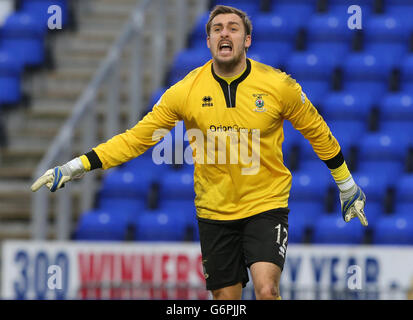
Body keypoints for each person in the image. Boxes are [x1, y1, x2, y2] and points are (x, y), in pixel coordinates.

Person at [31, 5, 368, 300]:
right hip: (214, 210)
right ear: (208, 42)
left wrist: (346, 184)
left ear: (246, 40)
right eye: (217, 29)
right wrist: (77, 165)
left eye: (233, 28)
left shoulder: (277, 86)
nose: (225, 33)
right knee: (225, 299)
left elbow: (316, 130)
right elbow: (137, 139)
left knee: (267, 289)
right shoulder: (185, 91)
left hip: (266, 203)